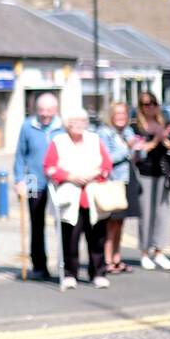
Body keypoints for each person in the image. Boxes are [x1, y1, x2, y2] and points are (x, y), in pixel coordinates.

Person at [43, 108, 112, 289]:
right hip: (69, 197)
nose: (78, 124)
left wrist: (94, 173)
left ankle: (98, 273)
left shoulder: (94, 139)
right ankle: (69, 273)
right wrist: (70, 176)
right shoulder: (58, 141)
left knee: (97, 238)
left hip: (94, 197)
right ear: (67, 124)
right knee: (69, 239)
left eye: (82, 121)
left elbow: (106, 164)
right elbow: (49, 167)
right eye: (74, 121)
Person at [13, 93, 62, 282]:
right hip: (33, 179)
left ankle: (64, 265)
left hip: (58, 180)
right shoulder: (28, 126)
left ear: (56, 110)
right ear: (36, 110)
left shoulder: (62, 127)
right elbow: (20, 155)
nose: (45, 115)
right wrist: (19, 179)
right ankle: (39, 266)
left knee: (62, 222)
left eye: (49, 110)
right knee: (36, 223)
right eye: (42, 110)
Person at [133, 92, 170, 270]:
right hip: (145, 173)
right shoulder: (137, 126)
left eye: (153, 103)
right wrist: (156, 140)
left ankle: (159, 251)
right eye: (146, 104)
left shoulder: (165, 123)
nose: (151, 107)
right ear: (141, 107)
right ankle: (145, 252)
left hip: (163, 173)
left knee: (162, 214)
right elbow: (138, 153)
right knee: (146, 215)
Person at [98, 102, 139, 274]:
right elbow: (106, 158)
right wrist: (127, 149)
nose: (121, 117)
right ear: (111, 115)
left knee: (121, 222)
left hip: (128, 178)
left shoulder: (128, 131)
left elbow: (137, 155)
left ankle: (117, 258)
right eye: (117, 113)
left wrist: (139, 149)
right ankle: (106, 260)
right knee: (111, 223)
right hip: (113, 181)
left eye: (124, 113)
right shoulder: (104, 132)